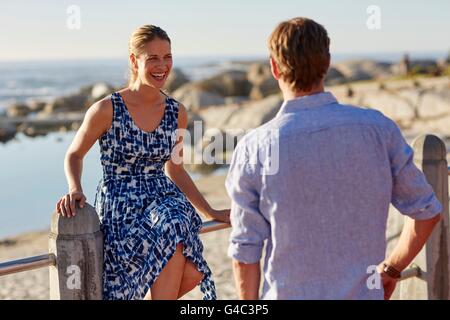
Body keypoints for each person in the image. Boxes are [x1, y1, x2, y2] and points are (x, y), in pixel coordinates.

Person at [225, 17, 442, 300]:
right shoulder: (378, 129)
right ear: (326, 63)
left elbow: (245, 251)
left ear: (275, 69)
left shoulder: (255, 148)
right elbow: (427, 211)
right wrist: (391, 269)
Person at [55, 24, 229, 300]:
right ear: (135, 61)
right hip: (122, 206)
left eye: (167, 57)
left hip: (163, 199)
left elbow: (175, 169)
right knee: (174, 229)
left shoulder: (176, 112)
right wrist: (75, 187)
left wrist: (210, 211)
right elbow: (74, 155)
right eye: (153, 58)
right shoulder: (106, 109)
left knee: (193, 269)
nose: (162, 66)